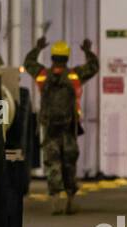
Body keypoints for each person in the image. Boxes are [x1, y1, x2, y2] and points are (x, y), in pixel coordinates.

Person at [23, 37, 98, 214]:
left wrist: (37, 48)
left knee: (52, 161)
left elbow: (28, 63)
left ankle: (56, 199)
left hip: (49, 126)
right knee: (69, 161)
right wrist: (87, 51)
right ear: (67, 57)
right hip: (68, 127)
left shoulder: (43, 75)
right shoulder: (75, 75)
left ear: (52, 57)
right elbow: (94, 67)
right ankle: (70, 200)